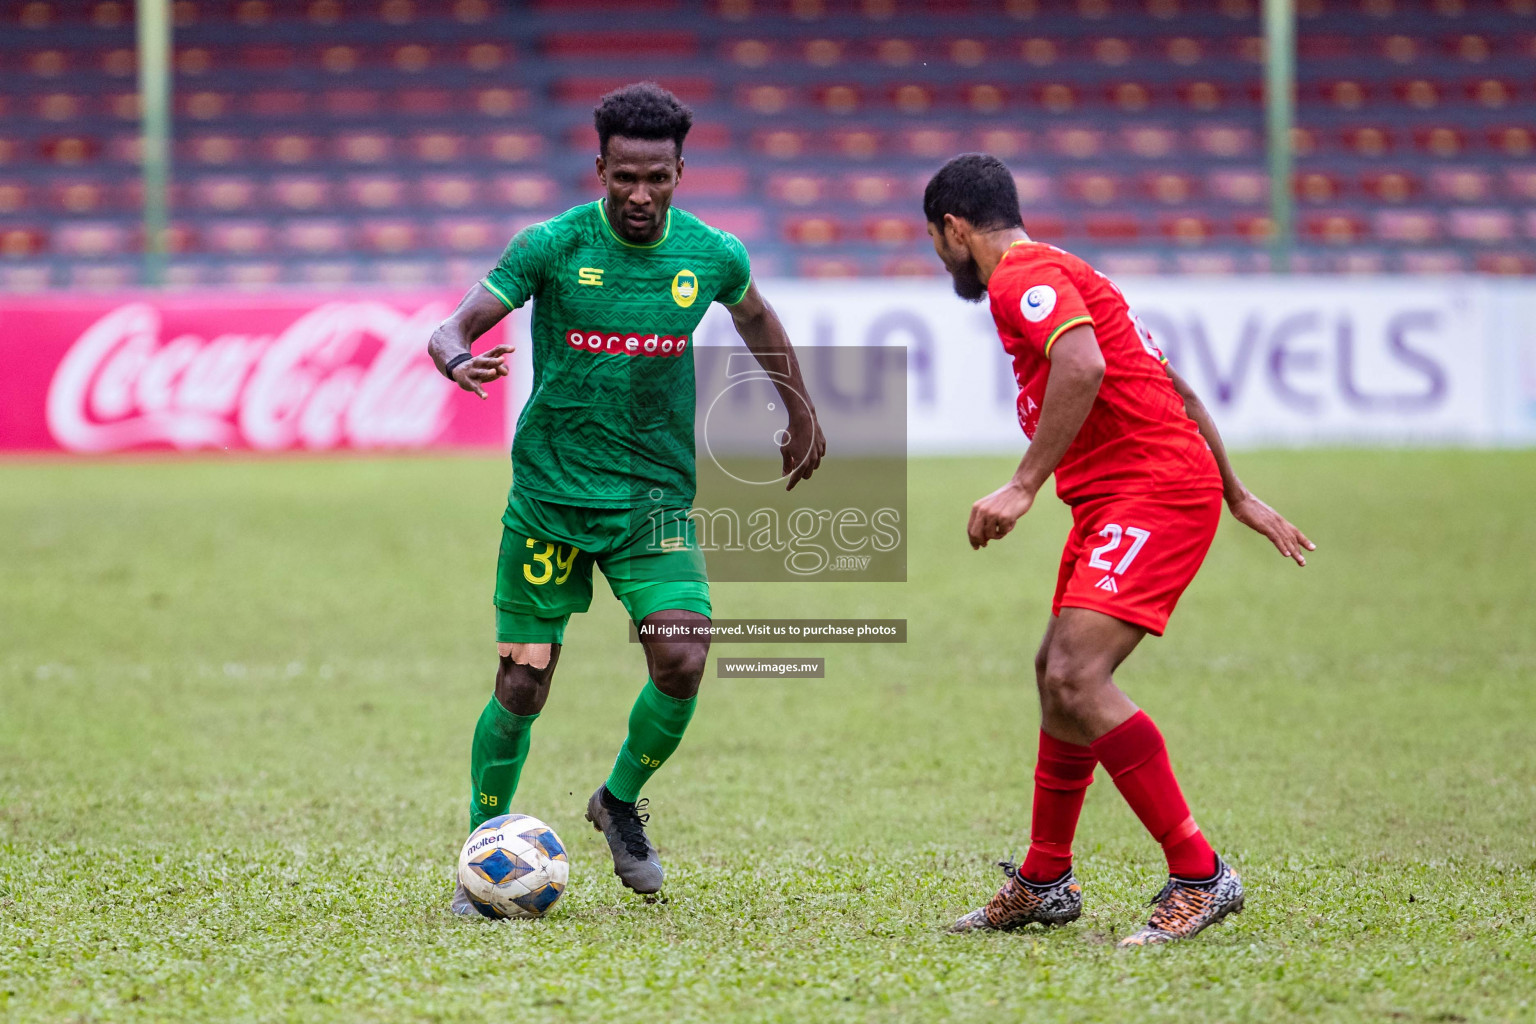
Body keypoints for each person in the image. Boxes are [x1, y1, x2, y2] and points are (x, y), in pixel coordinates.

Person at [426, 82, 825, 911]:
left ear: (681, 169)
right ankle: (481, 845)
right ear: (600, 167)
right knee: (523, 686)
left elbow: (756, 318)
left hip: (652, 499)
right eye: (624, 179)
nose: (641, 196)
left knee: (682, 656)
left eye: (659, 179)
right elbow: (451, 326)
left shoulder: (712, 253)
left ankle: (616, 802)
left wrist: (800, 406)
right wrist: (456, 358)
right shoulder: (552, 245)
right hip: (550, 500)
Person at [923, 154, 1313, 946]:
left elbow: (1085, 364)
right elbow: (1176, 385)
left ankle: (1200, 875)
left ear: (955, 228)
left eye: (938, 240)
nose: (942, 257)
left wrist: (1024, 484)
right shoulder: (1070, 271)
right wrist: (1235, 492)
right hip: (1126, 495)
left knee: (1077, 674)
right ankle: (1043, 879)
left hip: (1153, 492)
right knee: (1055, 674)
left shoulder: (1017, 278)